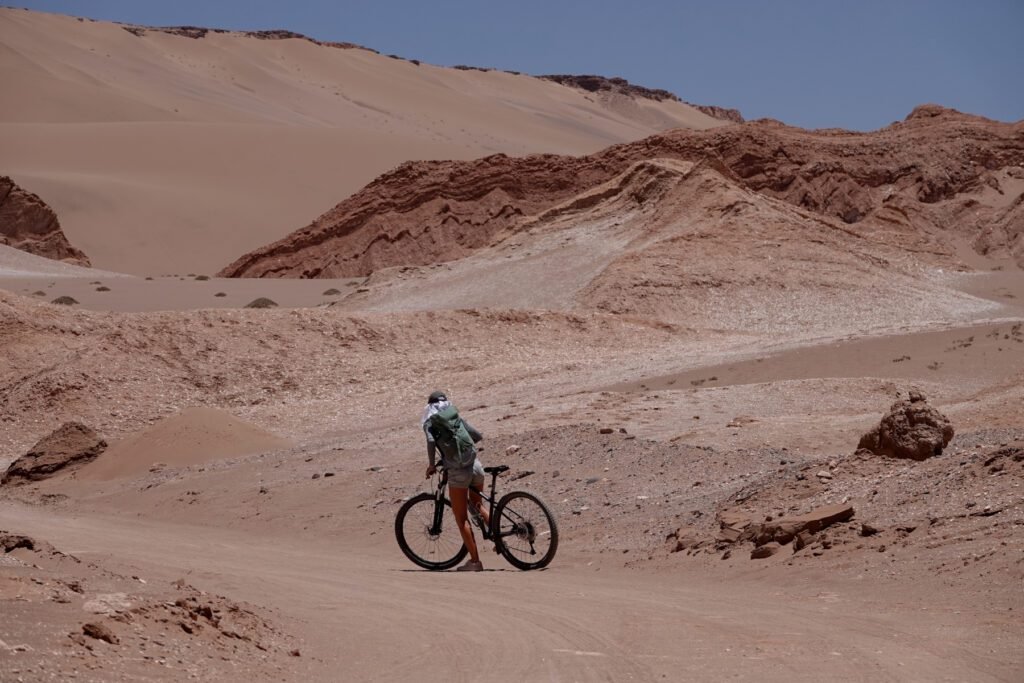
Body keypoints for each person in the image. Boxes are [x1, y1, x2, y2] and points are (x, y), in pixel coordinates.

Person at [422, 390, 490, 571]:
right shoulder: (454, 417)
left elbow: (430, 442)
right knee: (479, 506)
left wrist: (431, 465)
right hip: (475, 466)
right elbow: (477, 436)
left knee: (461, 518)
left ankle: (475, 562)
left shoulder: (431, 422)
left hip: (458, 472)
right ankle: (499, 538)